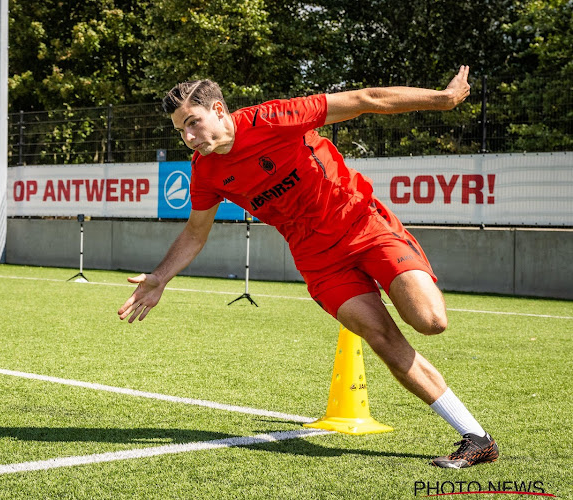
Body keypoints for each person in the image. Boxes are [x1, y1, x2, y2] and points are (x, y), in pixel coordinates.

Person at [117, 66, 498, 468]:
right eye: (181, 131)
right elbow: (195, 233)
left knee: (430, 320)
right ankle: (477, 438)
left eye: (193, 123)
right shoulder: (206, 171)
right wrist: (160, 277)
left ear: (218, 109)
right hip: (319, 262)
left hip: (365, 226)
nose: (190, 138)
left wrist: (442, 98)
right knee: (383, 338)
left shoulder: (273, 118)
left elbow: (365, 100)